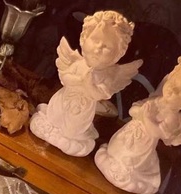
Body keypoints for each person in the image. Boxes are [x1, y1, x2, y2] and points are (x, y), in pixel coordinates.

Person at [30, 10, 142, 156]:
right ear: (83, 39)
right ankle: (52, 127)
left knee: (71, 130)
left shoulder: (108, 75)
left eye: (107, 47)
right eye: (95, 40)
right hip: (63, 100)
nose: (98, 48)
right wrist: (79, 80)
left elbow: (100, 94)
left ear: (117, 56)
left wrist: (89, 84)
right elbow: (65, 78)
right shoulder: (78, 64)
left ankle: (69, 138)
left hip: (81, 109)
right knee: (54, 116)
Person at [95, 55, 181, 194]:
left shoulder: (172, 117)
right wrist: (139, 111)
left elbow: (157, 133)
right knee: (116, 150)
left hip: (143, 145)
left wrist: (147, 118)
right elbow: (133, 110)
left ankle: (124, 173)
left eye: (180, 91)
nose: (172, 90)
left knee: (130, 161)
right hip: (130, 132)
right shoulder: (156, 100)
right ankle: (112, 160)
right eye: (173, 83)